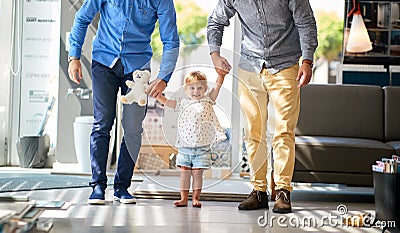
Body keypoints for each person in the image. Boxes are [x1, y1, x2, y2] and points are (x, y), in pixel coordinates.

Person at [207, 0, 318, 213]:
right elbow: (215, 21)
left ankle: (283, 190)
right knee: (253, 132)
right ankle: (258, 191)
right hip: (250, 68)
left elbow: (306, 23)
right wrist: (215, 54)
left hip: (286, 67)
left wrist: (307, 61)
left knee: (284, 131)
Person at [68, 0, 180, 205]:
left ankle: (122, 187)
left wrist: (164, 77)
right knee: (103, 122)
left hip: (138, 69)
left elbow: (171, 40)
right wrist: (74, 56)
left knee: (132, 128)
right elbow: (82, 18)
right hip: (104, 62)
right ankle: (98, 185)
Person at [155, 71, 227, 208]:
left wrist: (221, 77)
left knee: (198, 174)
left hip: (202, 147)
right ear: (186, 90)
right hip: (185, 147)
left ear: (205, 89)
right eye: (192, 88)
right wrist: (159, 97)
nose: (196, 91)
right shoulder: (183, 103)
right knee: (185, 174)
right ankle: (183, 198)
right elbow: (168, 103)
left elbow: (217, 87)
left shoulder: (208, 100)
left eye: (200, 88)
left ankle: (195, 198)